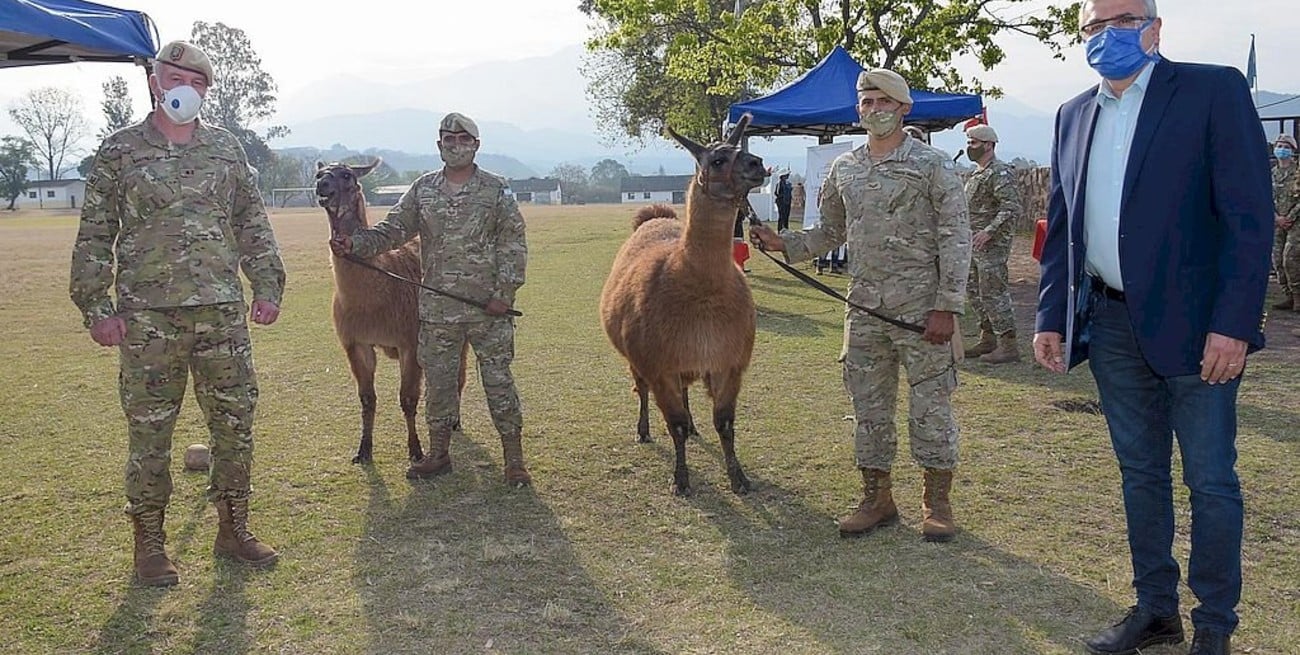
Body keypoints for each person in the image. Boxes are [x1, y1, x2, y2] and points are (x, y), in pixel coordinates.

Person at [1032, 2, 1273, 654]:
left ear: (1153, 28)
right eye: (1091, 26)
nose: (1104, 34)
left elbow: (1250, 217)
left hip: (1201, 332)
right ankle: (1155, 609)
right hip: (1109, 323)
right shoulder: (1071, 115)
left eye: (1121, 18)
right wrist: (1052, 314)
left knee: (1210, 479)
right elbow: (1062, 227)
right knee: (1140, 473)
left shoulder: (1211, 90)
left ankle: (1214, 627)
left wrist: (1234, 324)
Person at [69, 40, 286, 586]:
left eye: (195, 80)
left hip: (221, 314)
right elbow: (95, 235)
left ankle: (234, 527)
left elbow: (251, 222)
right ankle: (149, 543)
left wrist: (267, 285)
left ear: (206, 90)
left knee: (235, 424)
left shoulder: (225, 149)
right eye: (172, 75)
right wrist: (97, 307)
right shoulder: (119, 152)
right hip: (148, 319)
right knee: (150, 432)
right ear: (155, 82)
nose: (181, 87)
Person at [751, 69, 971, 543]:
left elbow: (957, 239)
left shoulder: (933, 166)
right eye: (866, 102)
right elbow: (829, 234)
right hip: (865, 309)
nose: (874, 109)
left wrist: (947, 307)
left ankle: (937, 502)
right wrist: (782, 243)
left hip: (921, 312)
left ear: (904, 107)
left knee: (930, 408)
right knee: (869, 408)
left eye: (883, 101)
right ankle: (877, 498)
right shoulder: (845, 169)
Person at [329, 112, 531, 486]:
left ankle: (514, 460)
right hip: (437, 310)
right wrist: (354, 245)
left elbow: (513, 244)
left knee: (499, 383)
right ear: (439, 146)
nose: (456, 147)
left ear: (476, 145)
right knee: (438, 385)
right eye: (448, 141)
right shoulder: (422, 190)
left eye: (463, 140)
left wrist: (503, 294)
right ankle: (439, 455)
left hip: (487, 309)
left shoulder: (496, 190)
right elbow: (392, 231)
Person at [960, 124, 1024, 364]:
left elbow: (1011, 208)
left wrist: (989, 231)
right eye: (968, 143)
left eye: (974, 143)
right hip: (973, 245)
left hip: (991, 246)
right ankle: (988, 338)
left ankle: (1008, 346)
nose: (969, 147)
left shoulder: (1000, 172)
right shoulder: (978, 173)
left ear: (989, 145)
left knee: (994, 294)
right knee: (975, 292)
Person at [1270, 134, 1298, 309]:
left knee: (1290, 258)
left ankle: (1298, 297)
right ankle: (1287, 295)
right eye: (1279, 145)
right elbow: (1265, 197)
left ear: (1292, 150)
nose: (1282, 149)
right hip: (1278, 221)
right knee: (1277, 258)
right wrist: (1276, 218)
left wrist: (1290, 217)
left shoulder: (1297, 172)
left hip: (1296, 221)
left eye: (1286, 146)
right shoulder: (1271, 173)